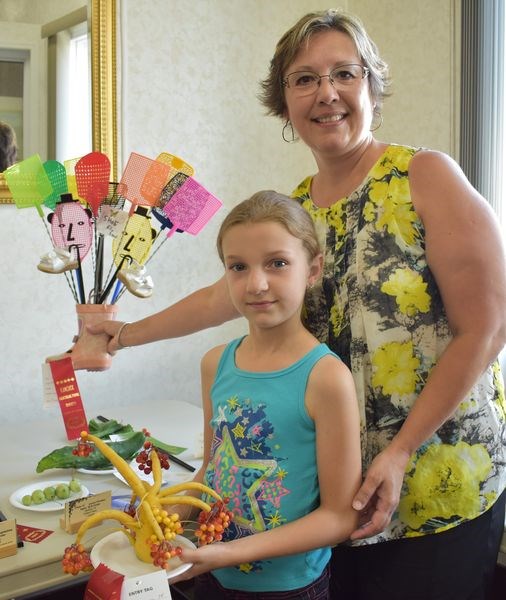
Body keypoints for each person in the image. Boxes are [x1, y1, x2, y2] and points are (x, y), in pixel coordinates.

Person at [90, 8, 506, 600]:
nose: (326, 93)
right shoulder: (296, 210)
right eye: (304, 79)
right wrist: (123, 335)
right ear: (283, 102)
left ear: (371, 86)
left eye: (344, 73)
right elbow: (224, 295)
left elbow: (486, 328)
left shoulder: (424, 175)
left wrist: (400, 451)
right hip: (337, 497)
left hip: (439, 474)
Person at [172, 190, 362, 599]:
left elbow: (339, 517)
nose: (256, 284)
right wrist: (169, 510)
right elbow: (212, 470)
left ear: (312, 270)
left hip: (288, 589)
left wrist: (229, 552)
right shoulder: (215, 363)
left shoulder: (326, 378)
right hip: (213, 575)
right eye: (238, 267)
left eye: (277, 263)